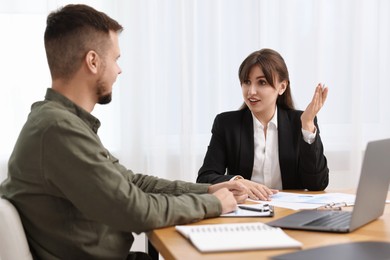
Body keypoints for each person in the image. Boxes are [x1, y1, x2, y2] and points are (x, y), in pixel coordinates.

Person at [0, 4, 248, 260]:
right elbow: (135, 210)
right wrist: (214, 204)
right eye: (116, 59)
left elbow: (130, 182)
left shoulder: (62, 123)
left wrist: (206, 191)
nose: (119, 70)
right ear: (93, 61)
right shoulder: (58, 129)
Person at [197, 48, 329, 201]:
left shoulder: (299, 121)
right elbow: (205, 178)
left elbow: (317, 184)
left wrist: (307, 125)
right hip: (246, 211)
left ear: (282, 87)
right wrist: (238, 182)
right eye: (247, 82)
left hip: (290, 211)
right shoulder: (227, 124)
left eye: (262, 82)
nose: (251, 91)